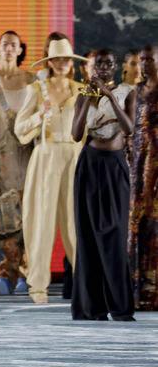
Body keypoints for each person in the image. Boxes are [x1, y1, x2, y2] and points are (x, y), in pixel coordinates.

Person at [15, 36, 84, 304]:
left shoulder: (81, 90)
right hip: (46, 155)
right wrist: (38, 116)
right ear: (50, 61)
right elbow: (20, 130)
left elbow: (89, 128)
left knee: (76, 222)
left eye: (66, 59)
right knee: (40, 222)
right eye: (57, 59)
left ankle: (85, 284)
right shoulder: (36, 89)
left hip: (74, 156)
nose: (62, 63)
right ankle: (38, 287)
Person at [70, 49, 135, 321]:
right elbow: (76, 134)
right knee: (87, 235)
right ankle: (92, 308)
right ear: (91, 68)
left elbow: (129, 128)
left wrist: (109, 96)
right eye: (99, 64)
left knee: (115, 233)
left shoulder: (127, 92)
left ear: (115, 66)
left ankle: (120, 307)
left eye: (109, 63)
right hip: (89, 164)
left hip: (114, 166)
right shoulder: (82, 95)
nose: (104, 68)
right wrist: (88, 98)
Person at [0, 31, 35, 295]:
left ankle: (26, 270)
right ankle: (4, 271)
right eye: (5, 44)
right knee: (1, 212)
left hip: (26, 152)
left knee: (28, 211)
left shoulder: (32, 80)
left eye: (14, 44)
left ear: (20, 49)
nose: (9, 48)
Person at [128, 45, 158, 311]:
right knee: (138, 225)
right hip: (137, 165)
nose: (145, 64)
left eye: (150, 59)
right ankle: (139, 293)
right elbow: (129, 129)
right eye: (142, 60)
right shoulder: (136, 91)